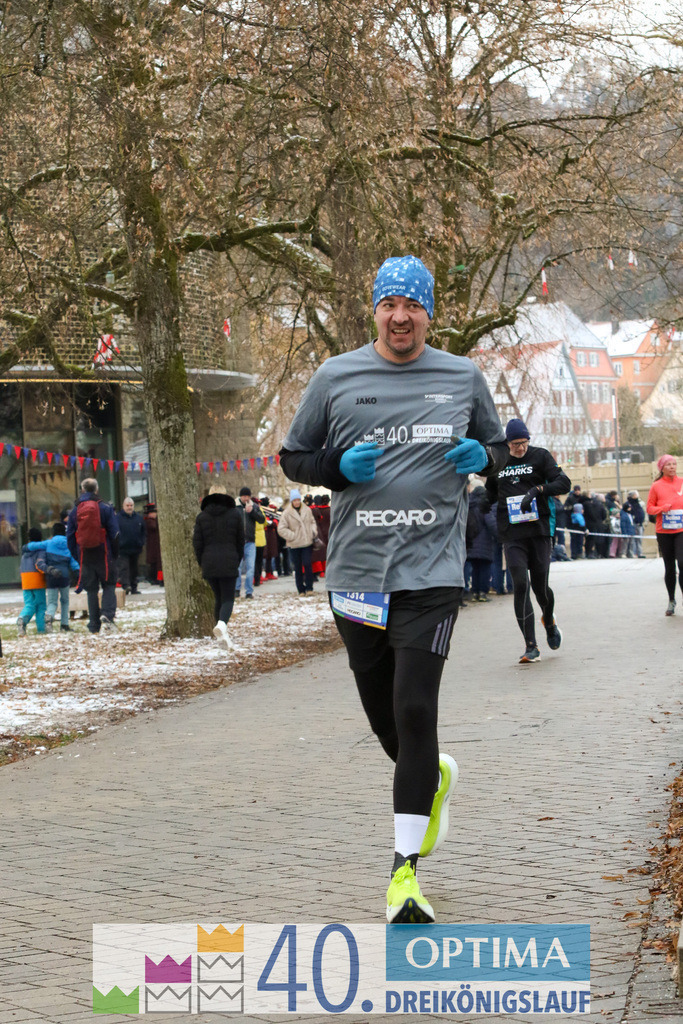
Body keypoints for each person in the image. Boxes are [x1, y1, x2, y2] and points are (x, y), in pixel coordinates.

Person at [279, 254, 509, 924]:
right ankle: (431, 778)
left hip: (431, 574)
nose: (400, 317)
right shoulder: (335, 376)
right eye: (389, 305)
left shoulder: (461, 377)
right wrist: (334, 468)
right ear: (374, 309)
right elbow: (293, 457)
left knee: (414, 711)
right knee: (388, 724)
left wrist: (484, 457)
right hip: (355, 577)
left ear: (429, 312)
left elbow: (498, 448)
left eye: (412, 306)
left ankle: (403, 875)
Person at [485, 418, 571, 663]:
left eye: (523, 443)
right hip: (512, 534)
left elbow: (564, 483)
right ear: (507, 443)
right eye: (515, 444)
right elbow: (491, 491)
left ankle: (550, 621)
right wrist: (482, 503)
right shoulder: (500, 461)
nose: (520, 448)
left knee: (540, 588)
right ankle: (531, 646)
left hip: (539, 531)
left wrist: (537, 490)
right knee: (520, 584)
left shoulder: (540, 456)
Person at [192, 485, 244, 648]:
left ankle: (222, 636)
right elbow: (240, 540)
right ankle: (222, 625)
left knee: (218, 599)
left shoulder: (202, 517)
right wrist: (236, 559)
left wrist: (202, 562)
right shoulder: (235, 514)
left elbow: (197, 544)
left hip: (209, 562)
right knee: (228, 598)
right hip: (229, 560)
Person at [66, 478, 120, 634]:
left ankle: (94, 624)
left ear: (82, 490)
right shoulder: (105, 507)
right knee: (109, 585)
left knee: (91, 590)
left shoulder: (75, 511)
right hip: (104, 553)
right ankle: (107, 617)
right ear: (96, 490)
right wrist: (114, 554)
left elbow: (69, 536)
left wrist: (77, 555)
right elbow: (115, 533)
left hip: (85, 555)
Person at [646, 454, 683, 616]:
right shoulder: (656, 486)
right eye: (668, 464)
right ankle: (671, 600)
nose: (672, 467)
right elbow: (649, 508)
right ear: (662, 468)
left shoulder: (682, 483)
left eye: (674, 464)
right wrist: (662, 509)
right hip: (664, 531)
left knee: (682, 563)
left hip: (681, 530)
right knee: (669, 567)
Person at [27, 522, 79, 632]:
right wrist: (77, 572)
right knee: (65, 601)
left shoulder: (48, 543)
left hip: (51, 576)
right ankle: (64, 625)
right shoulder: (68, 544)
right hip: (64, 576)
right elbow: (73, 561)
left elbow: (32, 546)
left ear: (54, 532)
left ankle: (49, 616)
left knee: (52, 602)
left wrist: (25, 547)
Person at [276, 489, 319, 596]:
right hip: (294, 544)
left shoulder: (307, 510)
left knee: (308, 564)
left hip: (306, 542)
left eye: (298, 500)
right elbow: (281, 528)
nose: (297, 502)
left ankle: (309, 587)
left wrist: (313, 531)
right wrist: (292, 535)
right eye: (295, 500)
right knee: (298, 567)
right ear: (291, 501)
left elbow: (313, 522)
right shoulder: (287, 513)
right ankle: (301, 589)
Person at [235, 486, 265, 599]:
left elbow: (262, 519)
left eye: (247, 496)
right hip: (238, 542)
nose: (245, 498)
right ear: (240, 496)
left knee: (251, 567)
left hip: (250, 542)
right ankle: (237, 589)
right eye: (243, 496)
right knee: (237, 567)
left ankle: (249, 591)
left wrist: (252, 511)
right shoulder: (235, 507)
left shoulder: (254, 506)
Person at [17, 527, 47, 636]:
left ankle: (22, 619)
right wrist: (48, 570)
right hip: (37, 580)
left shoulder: (25, 551)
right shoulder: (40, 551)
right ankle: (41, 629)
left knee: (29, 603)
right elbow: (39, 565)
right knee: (41, 605)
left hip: (25, 581)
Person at [117, 497, 146, 594]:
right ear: (123, 506)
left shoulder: (138, 518)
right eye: (127, 506)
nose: (129, 507)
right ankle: (126, 585)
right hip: (123, 548)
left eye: (131, 505)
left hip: (135, 547)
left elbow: (143, 531)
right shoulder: (118, 518)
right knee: (124, 568)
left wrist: (141, 542)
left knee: (134, 569)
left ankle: (134, 587)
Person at [143, 503, 162, 584]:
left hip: (155, 546)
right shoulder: (149, 521)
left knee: (157, 564)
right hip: (153, 547)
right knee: (155, 565)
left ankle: (158, 579)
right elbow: (154, 527)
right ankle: (155, 579)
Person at [624, 490, 647, 558]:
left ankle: (640, 553)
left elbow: (644, 513)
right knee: (632, 539)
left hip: (640, 523)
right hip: (632, 523)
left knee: (639, 539)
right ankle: (632, 554)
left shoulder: (640, 503)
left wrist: (645, 522)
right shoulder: (628, 504)